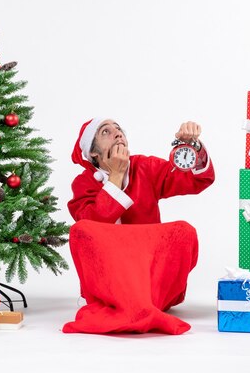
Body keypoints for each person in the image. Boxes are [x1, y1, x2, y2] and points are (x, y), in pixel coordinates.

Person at [62, 118, 215, 335]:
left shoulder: (145, 166)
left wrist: (192, 147)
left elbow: (196, 181)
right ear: (93, 152)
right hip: (110, 279)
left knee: (184, 231)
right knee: (81, 230)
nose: (117, 133)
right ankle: (134, 307)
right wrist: (115, 176)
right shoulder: (83, 183)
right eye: (106, 131)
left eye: (118, 129)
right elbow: (95, 227)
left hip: (150, 275)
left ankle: (144, 304)